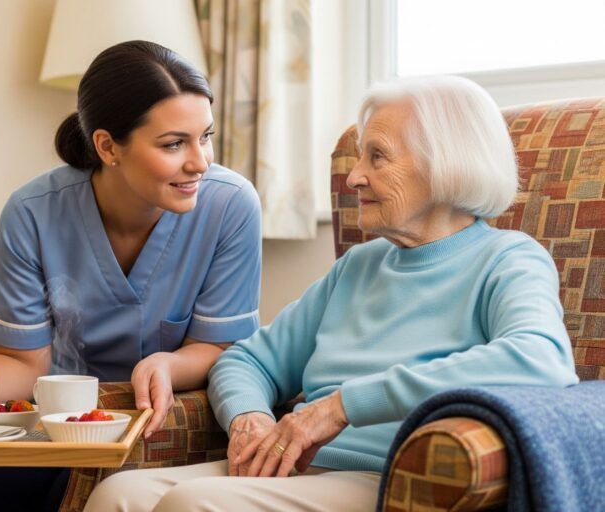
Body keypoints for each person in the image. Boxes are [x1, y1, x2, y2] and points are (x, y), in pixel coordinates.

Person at [83, 75, 580, 512]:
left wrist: (341, 406)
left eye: (377, 156)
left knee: (193, 504)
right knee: (118, 496)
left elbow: (541, 359)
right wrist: (249, 418)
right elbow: (246, 362)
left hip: (391, 479)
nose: (355, 175)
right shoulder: (358, 266)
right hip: (299, 470)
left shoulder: (507, 259)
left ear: (445, 163)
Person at [0, 40, 262, 511]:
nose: (200, 162)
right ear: (108, 146)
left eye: (205, 136)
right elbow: (23, 363)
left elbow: (221, 347)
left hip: (163, 421)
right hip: (56, 425)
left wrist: (169, 364)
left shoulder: (230, 206)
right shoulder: (32, 213)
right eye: (174, 144)